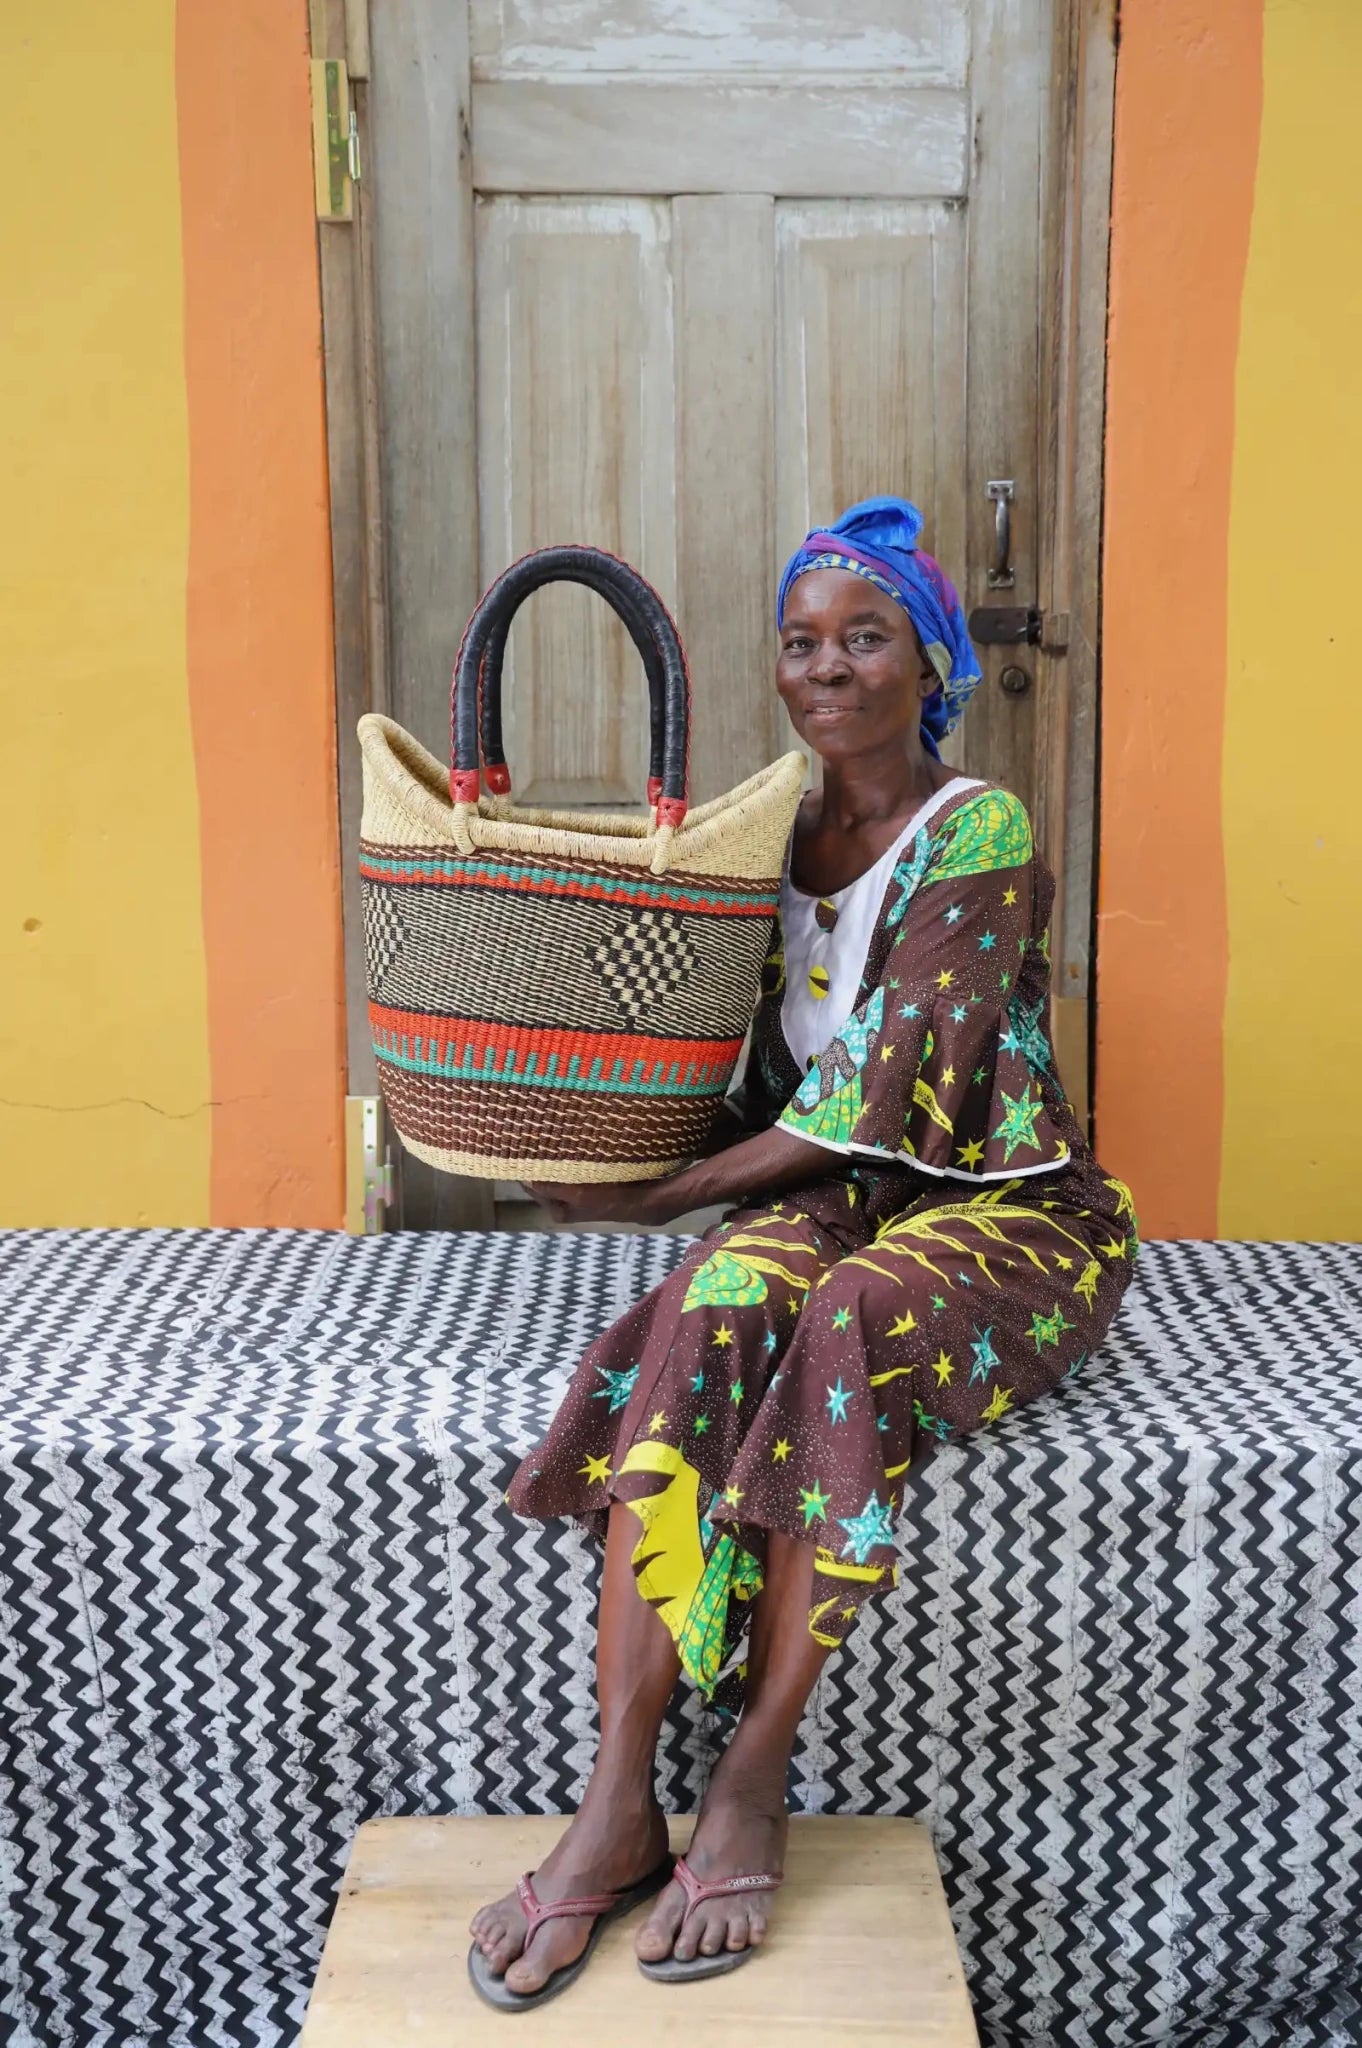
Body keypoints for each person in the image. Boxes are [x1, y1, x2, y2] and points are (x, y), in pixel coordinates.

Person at [468, 496, 1137, 2011]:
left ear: (930, 661)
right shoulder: (762, 828)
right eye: (800, 642)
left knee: (845, 1320)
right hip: (838, 1188)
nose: (825, 669)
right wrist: (607, 1139)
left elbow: (884, 1084)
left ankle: (756, 1769)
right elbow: (693, 1027)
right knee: (710, 1307)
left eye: (864, 638)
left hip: (1002, 1204)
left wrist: (676, 1187)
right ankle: (621, 1791)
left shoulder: (978, 827)